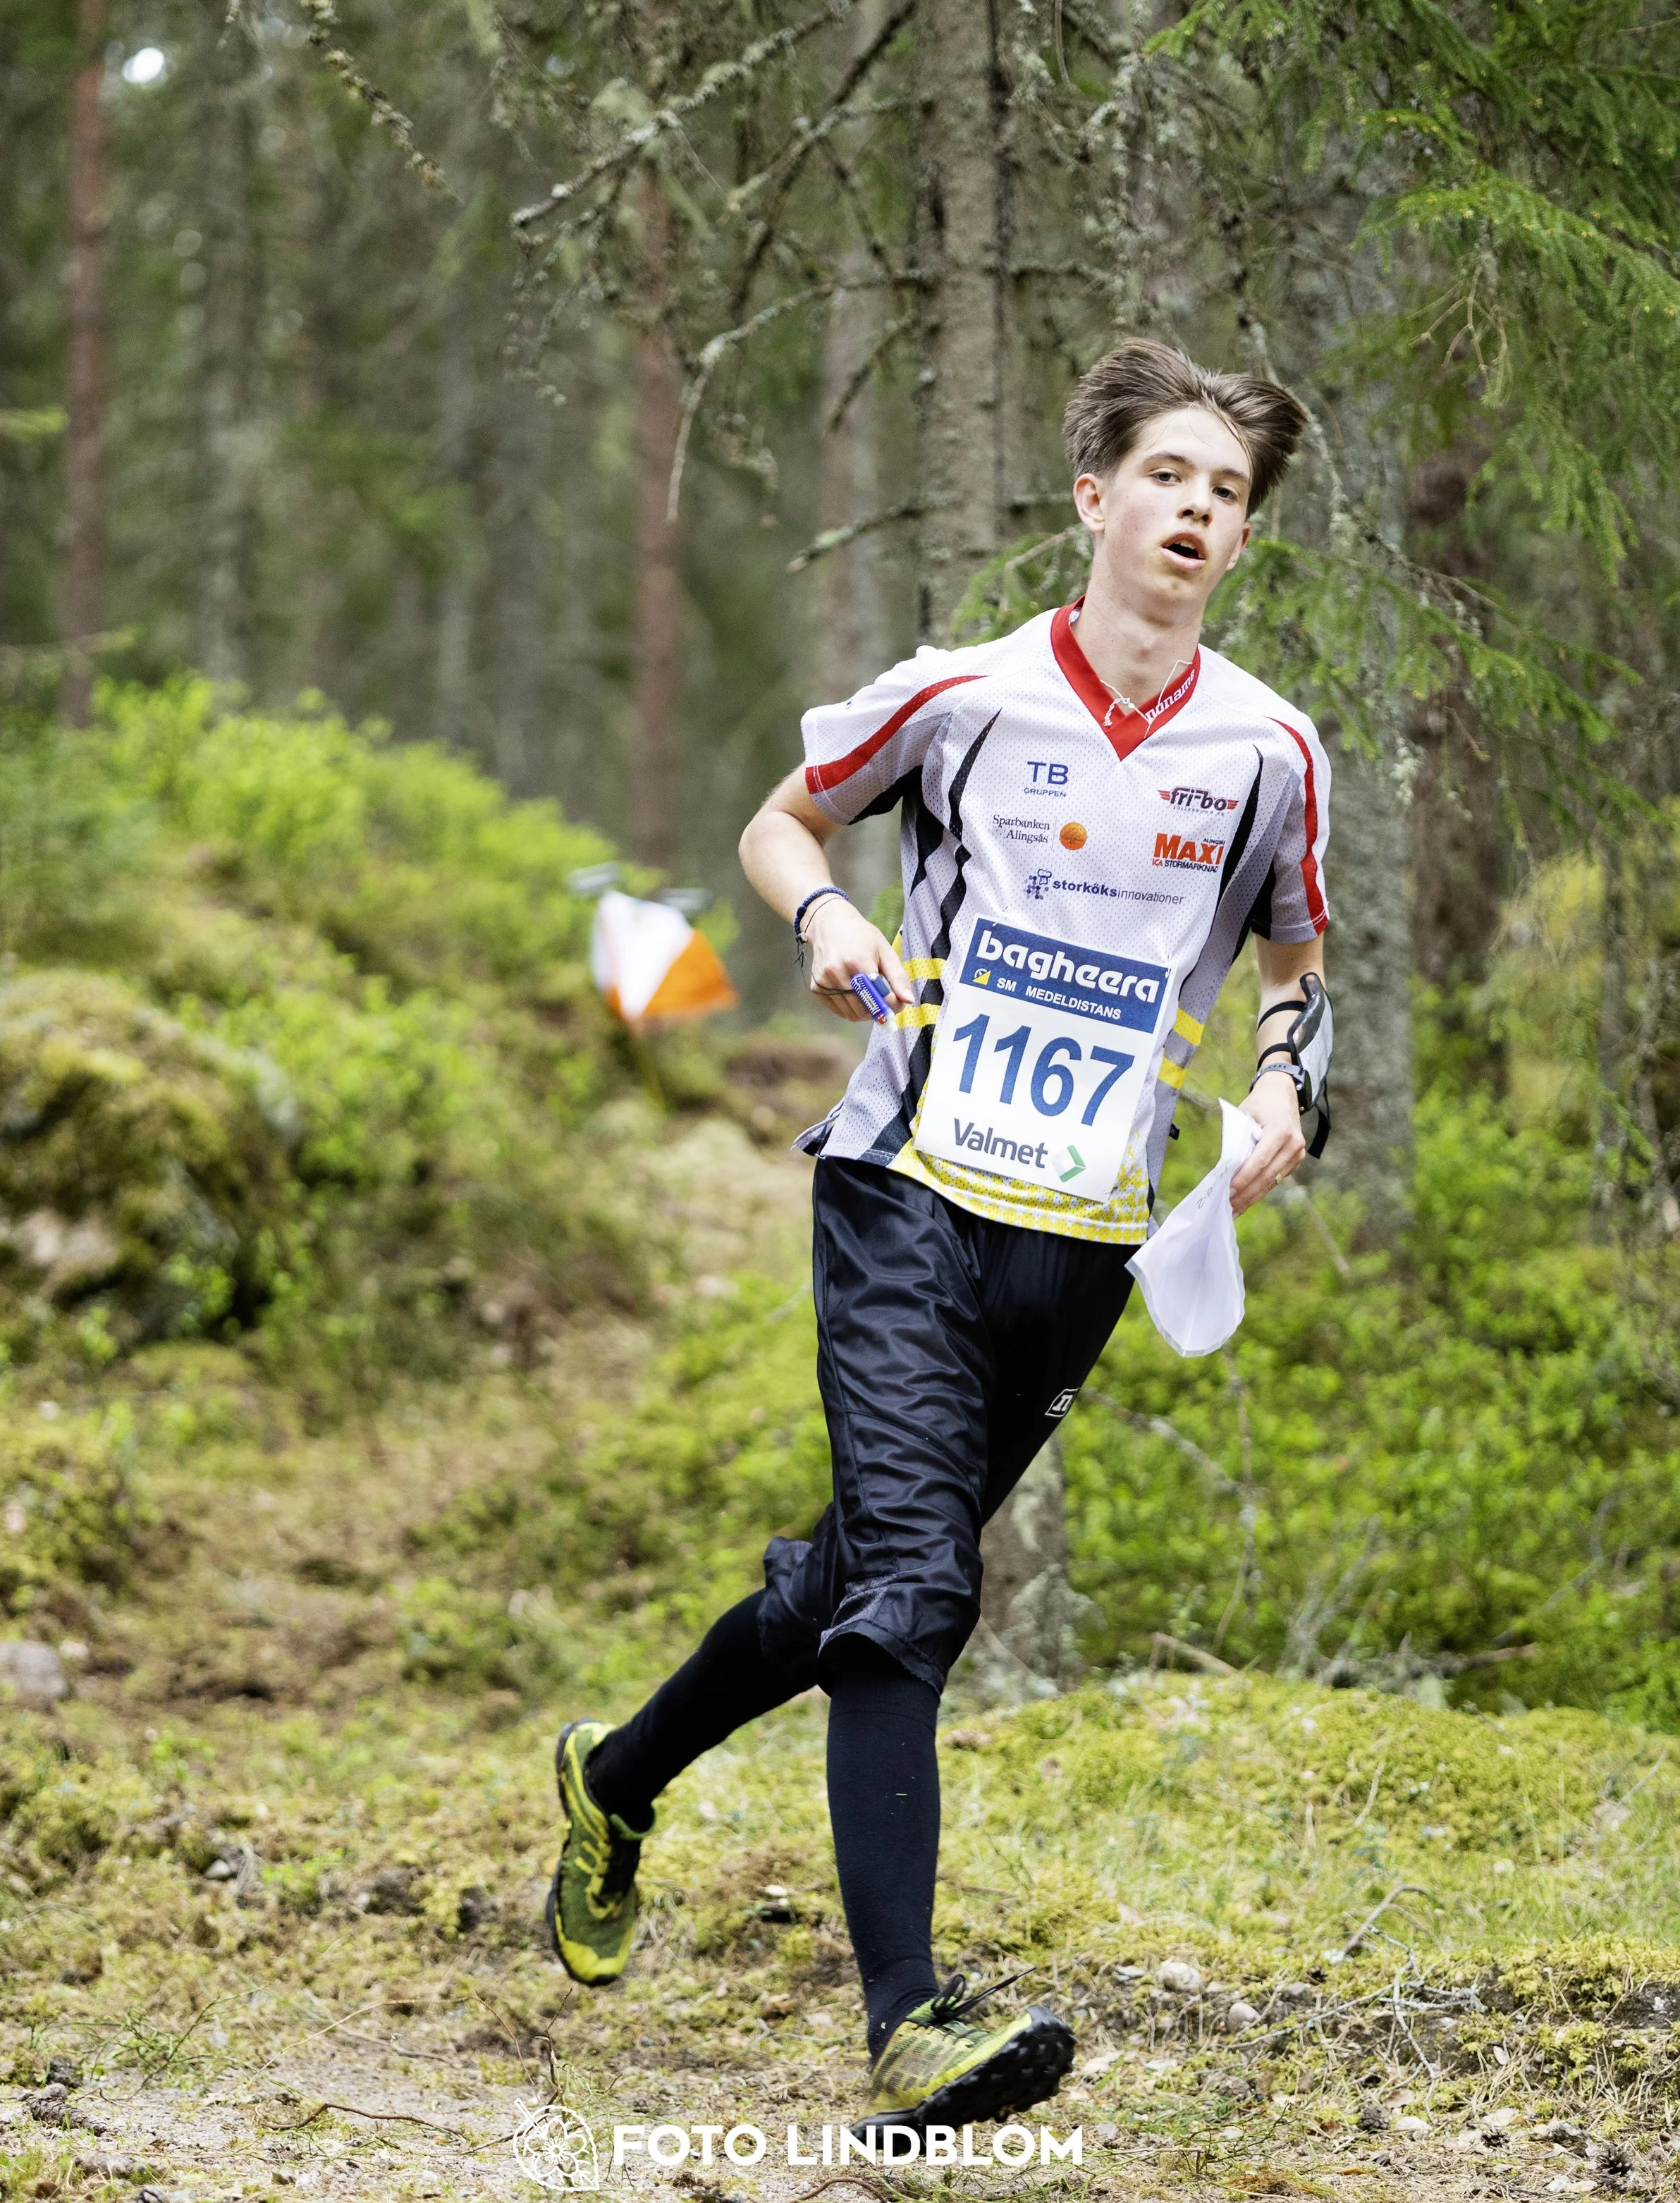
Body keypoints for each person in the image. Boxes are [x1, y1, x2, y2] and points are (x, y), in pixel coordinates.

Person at [547, 339, 1333, 2140]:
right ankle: (908, 2027)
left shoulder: (1269, 750)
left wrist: (1289, 1090)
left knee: (847, 1580)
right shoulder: (963, 694)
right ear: (1091, 496)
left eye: (1226, 491)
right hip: (904, 1176)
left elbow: (1295, 964)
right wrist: (826, 915)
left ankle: (616, 1776)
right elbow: (776, 816)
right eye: (1168, 477)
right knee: (919, 1590)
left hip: (1081, 1239)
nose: (1197, 510)